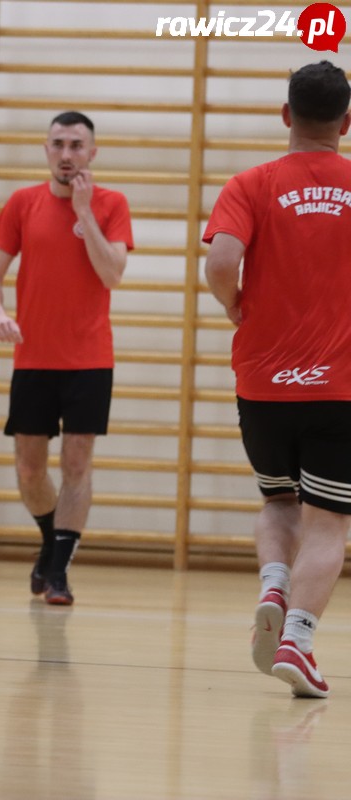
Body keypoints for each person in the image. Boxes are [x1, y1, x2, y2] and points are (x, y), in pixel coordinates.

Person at [203, 60, 351, 699]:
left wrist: (234, 304)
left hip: (263, 383)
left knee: (278, 501)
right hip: (339, 385)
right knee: (329, 524)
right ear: (347, 122)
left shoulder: (251, 183)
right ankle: (298, 638)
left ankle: (272, 579)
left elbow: (221, 260)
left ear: (286, 115)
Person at [0, 111, 134, 606]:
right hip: (33, 358)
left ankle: (60, 572)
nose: (67, 154)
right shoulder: (23, 203)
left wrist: (85, 214)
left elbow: (112, 275)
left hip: (90, 358)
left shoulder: (111, 204)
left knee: (77, 461)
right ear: (46, 150)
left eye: (76, 145)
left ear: (92, 153)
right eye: (58, 144)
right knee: (29, 469)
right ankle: (52, 541)